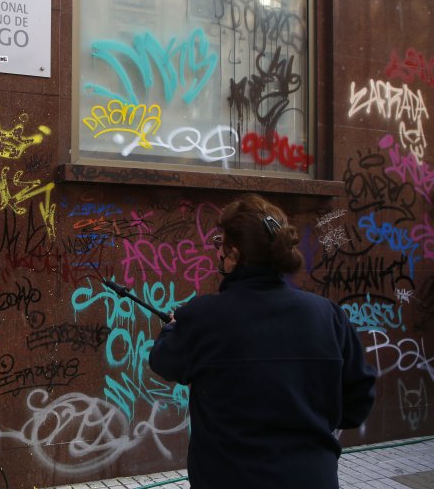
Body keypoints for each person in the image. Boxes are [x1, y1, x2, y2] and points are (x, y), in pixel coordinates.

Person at [148, 193, 376, 489]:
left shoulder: (203, 316)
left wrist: (172, 328)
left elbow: (164, 362)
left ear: (235, 253)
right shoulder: (328, 315)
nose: (217, 253)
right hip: (311, 477)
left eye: (221, 244)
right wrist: (310, 422)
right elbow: (358, 401)